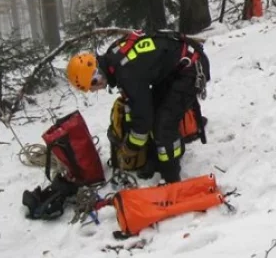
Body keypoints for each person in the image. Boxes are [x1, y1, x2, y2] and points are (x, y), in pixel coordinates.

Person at [66, 31, 209, 184]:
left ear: (96, 78)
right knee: (156, 110)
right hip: (174, 68)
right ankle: (160, 158)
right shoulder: (114, 57)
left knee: (164, 125)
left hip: (191, 69)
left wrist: (130, 146)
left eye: (93, 87)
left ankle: (172, 178)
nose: (97, 90)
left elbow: (143, 121)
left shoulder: (126, 72)